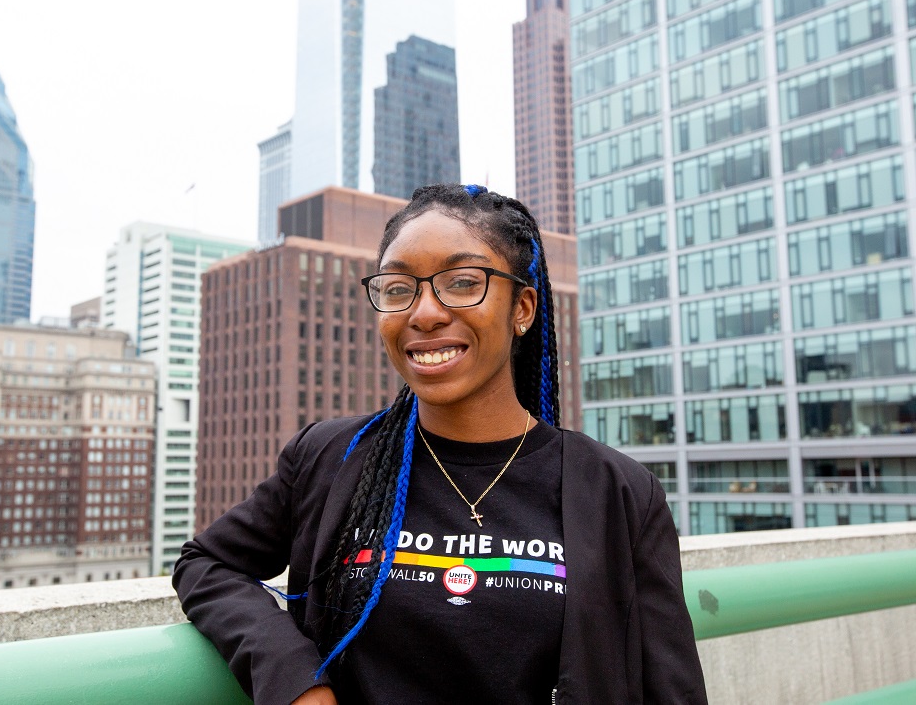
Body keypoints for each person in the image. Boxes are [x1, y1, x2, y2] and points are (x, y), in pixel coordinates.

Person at [173, 184, 707, 704]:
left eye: (460, 282)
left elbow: (671, 686)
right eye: (399, 289)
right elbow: (206, 563)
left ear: (522, 309)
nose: (424, 313)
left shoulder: (618, 492)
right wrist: (295, 678)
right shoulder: (331, 456)